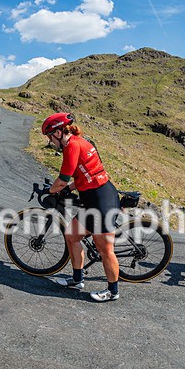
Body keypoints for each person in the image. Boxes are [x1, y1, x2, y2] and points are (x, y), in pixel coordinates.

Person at [42, 112, 120, 302]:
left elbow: (63, 179)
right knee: (71, 235)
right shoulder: (79, 142)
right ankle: (77, 279)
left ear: (59, 133)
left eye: (50, 137)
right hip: (91, 197)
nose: (51, 142)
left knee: (105, 249)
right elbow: (83, 175)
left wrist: (51, 191)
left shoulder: (72, 146)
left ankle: (113, 291)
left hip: (101, 199)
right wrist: (67, 190)